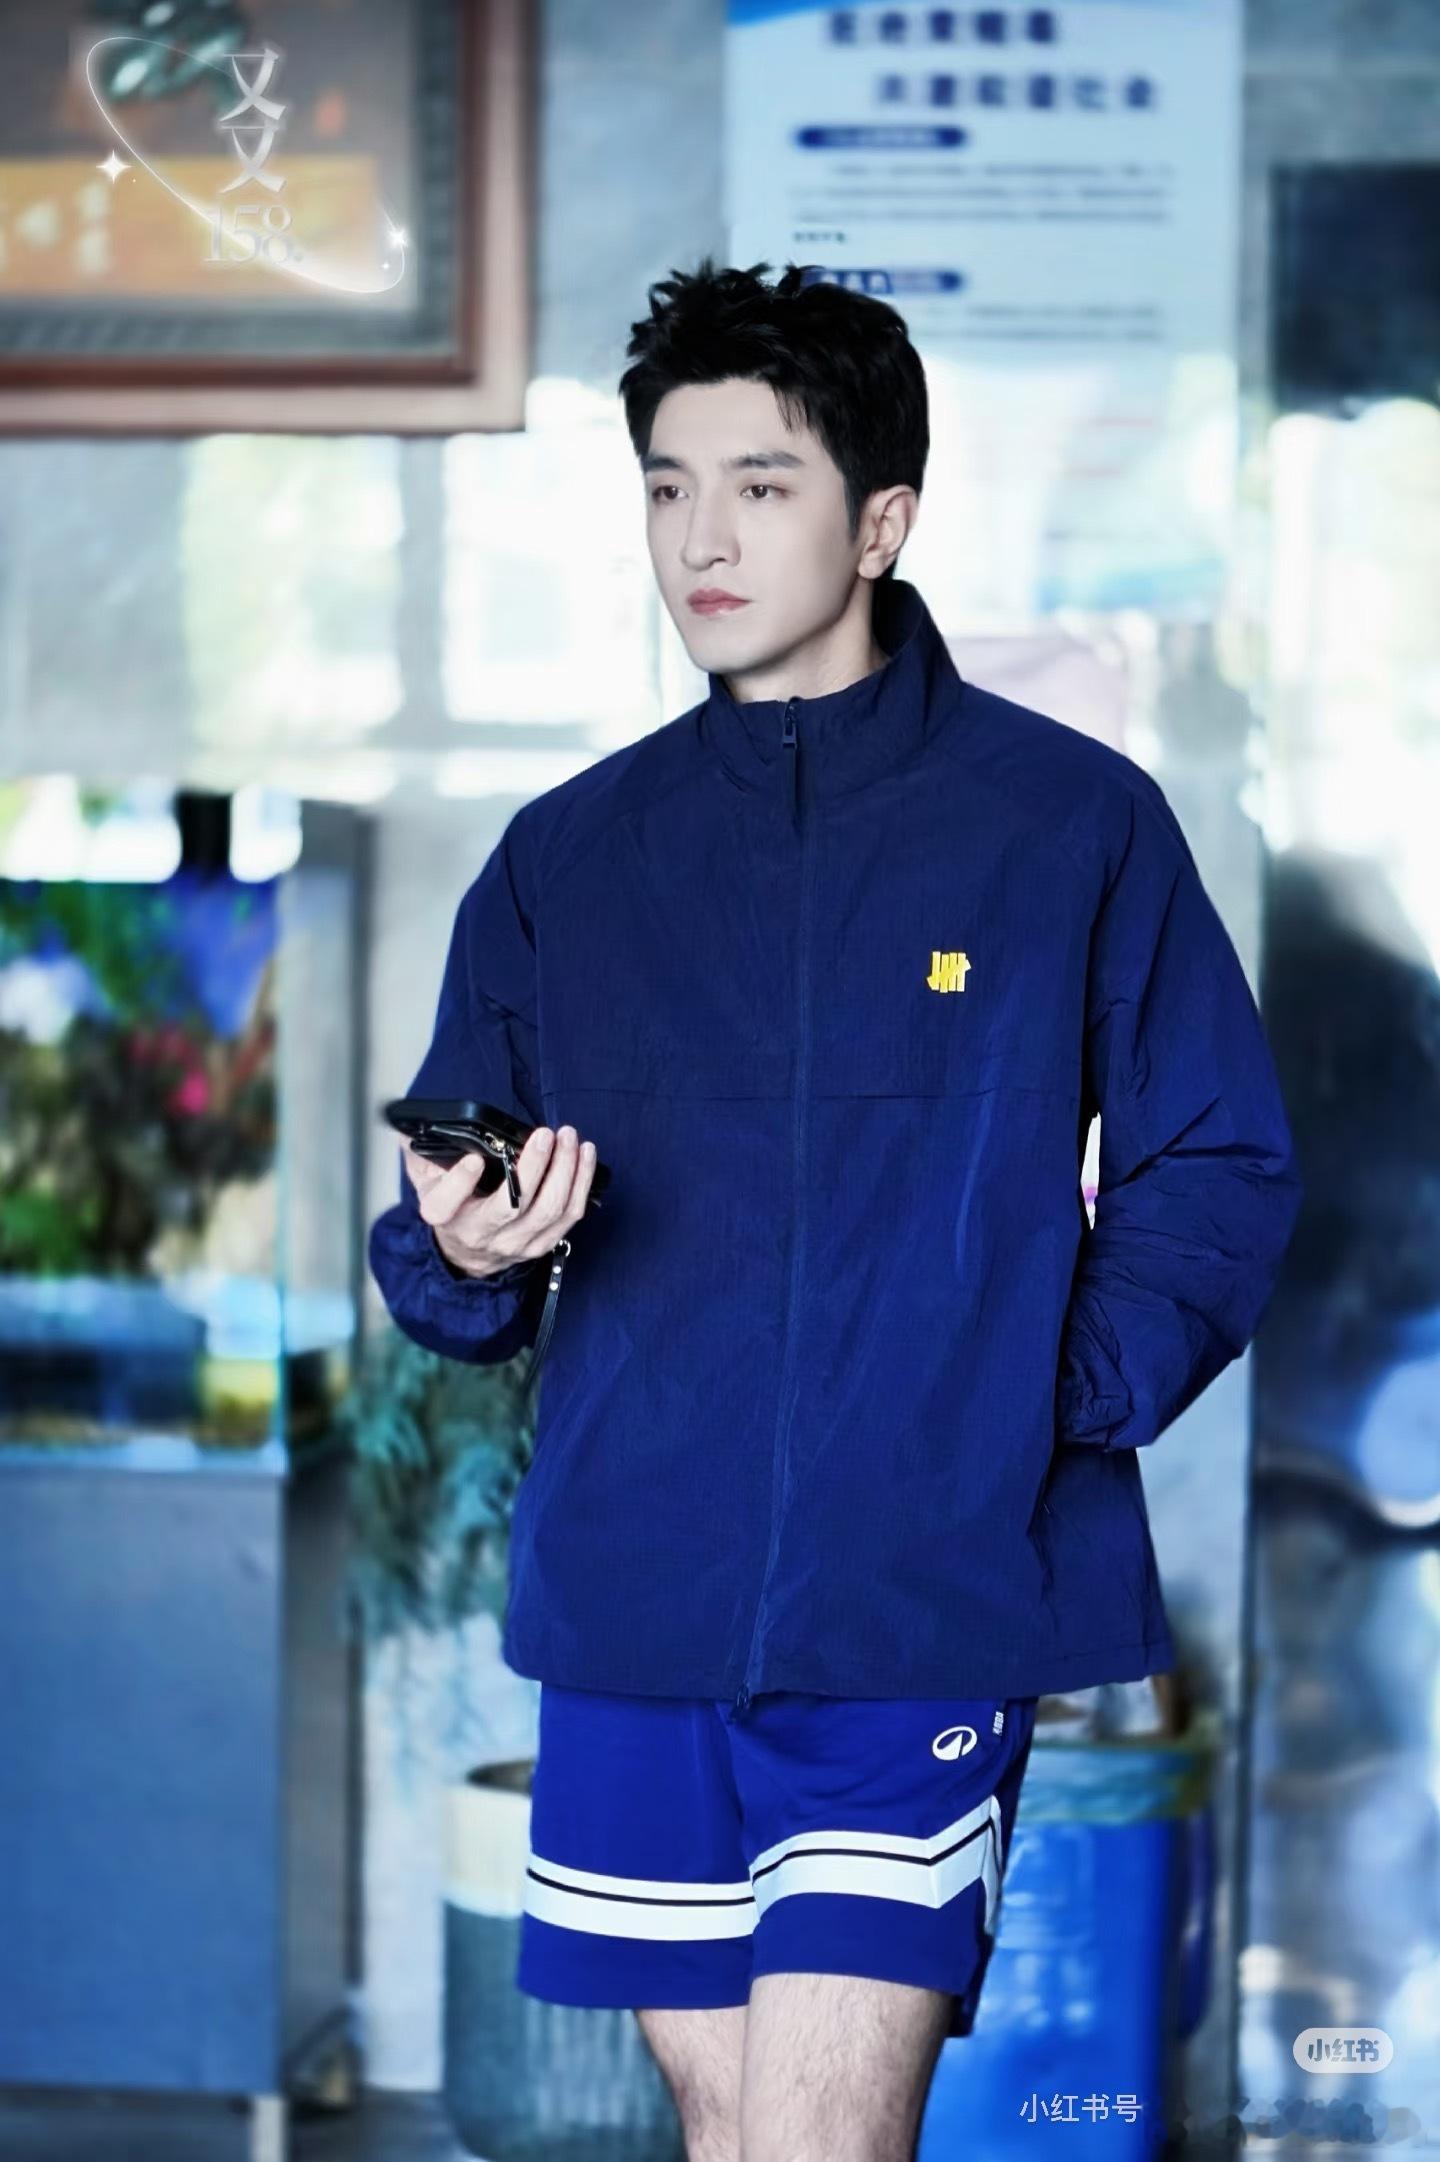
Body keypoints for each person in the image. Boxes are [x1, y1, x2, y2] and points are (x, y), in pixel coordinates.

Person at [369, 257, 1303, 2162]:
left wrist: (1033, 1394)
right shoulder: (568, 858)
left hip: (922, 1602)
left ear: (881, 521)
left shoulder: (1070, 825)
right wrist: (463, 1247)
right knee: (731, 2126)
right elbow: (454, 1229)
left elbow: (1219, 1160)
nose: (700, 538)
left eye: (761, 483)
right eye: (666, 485)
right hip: (638, 1604)